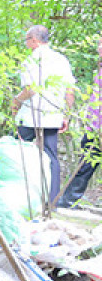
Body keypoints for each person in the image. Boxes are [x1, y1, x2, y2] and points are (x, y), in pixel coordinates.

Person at [12, 25, 75, 206]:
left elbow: (30, 90)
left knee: (16, 149)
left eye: (26, 40)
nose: (26, 44)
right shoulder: (62, 60)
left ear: (34, 40)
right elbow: (69, 91)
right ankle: (52, 200)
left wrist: (16, 101)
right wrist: (66, 115)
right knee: (50, 155)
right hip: (53, 114)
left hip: (31, 115)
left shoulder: (31, 60)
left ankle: (19, 194)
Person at [60, 38, 102, 208]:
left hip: (98, 127)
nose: (99, 48)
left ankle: (69, 199)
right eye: (99, 44)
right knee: (86, 163)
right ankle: (68, 200)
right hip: (94, 125)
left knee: (87, 163)